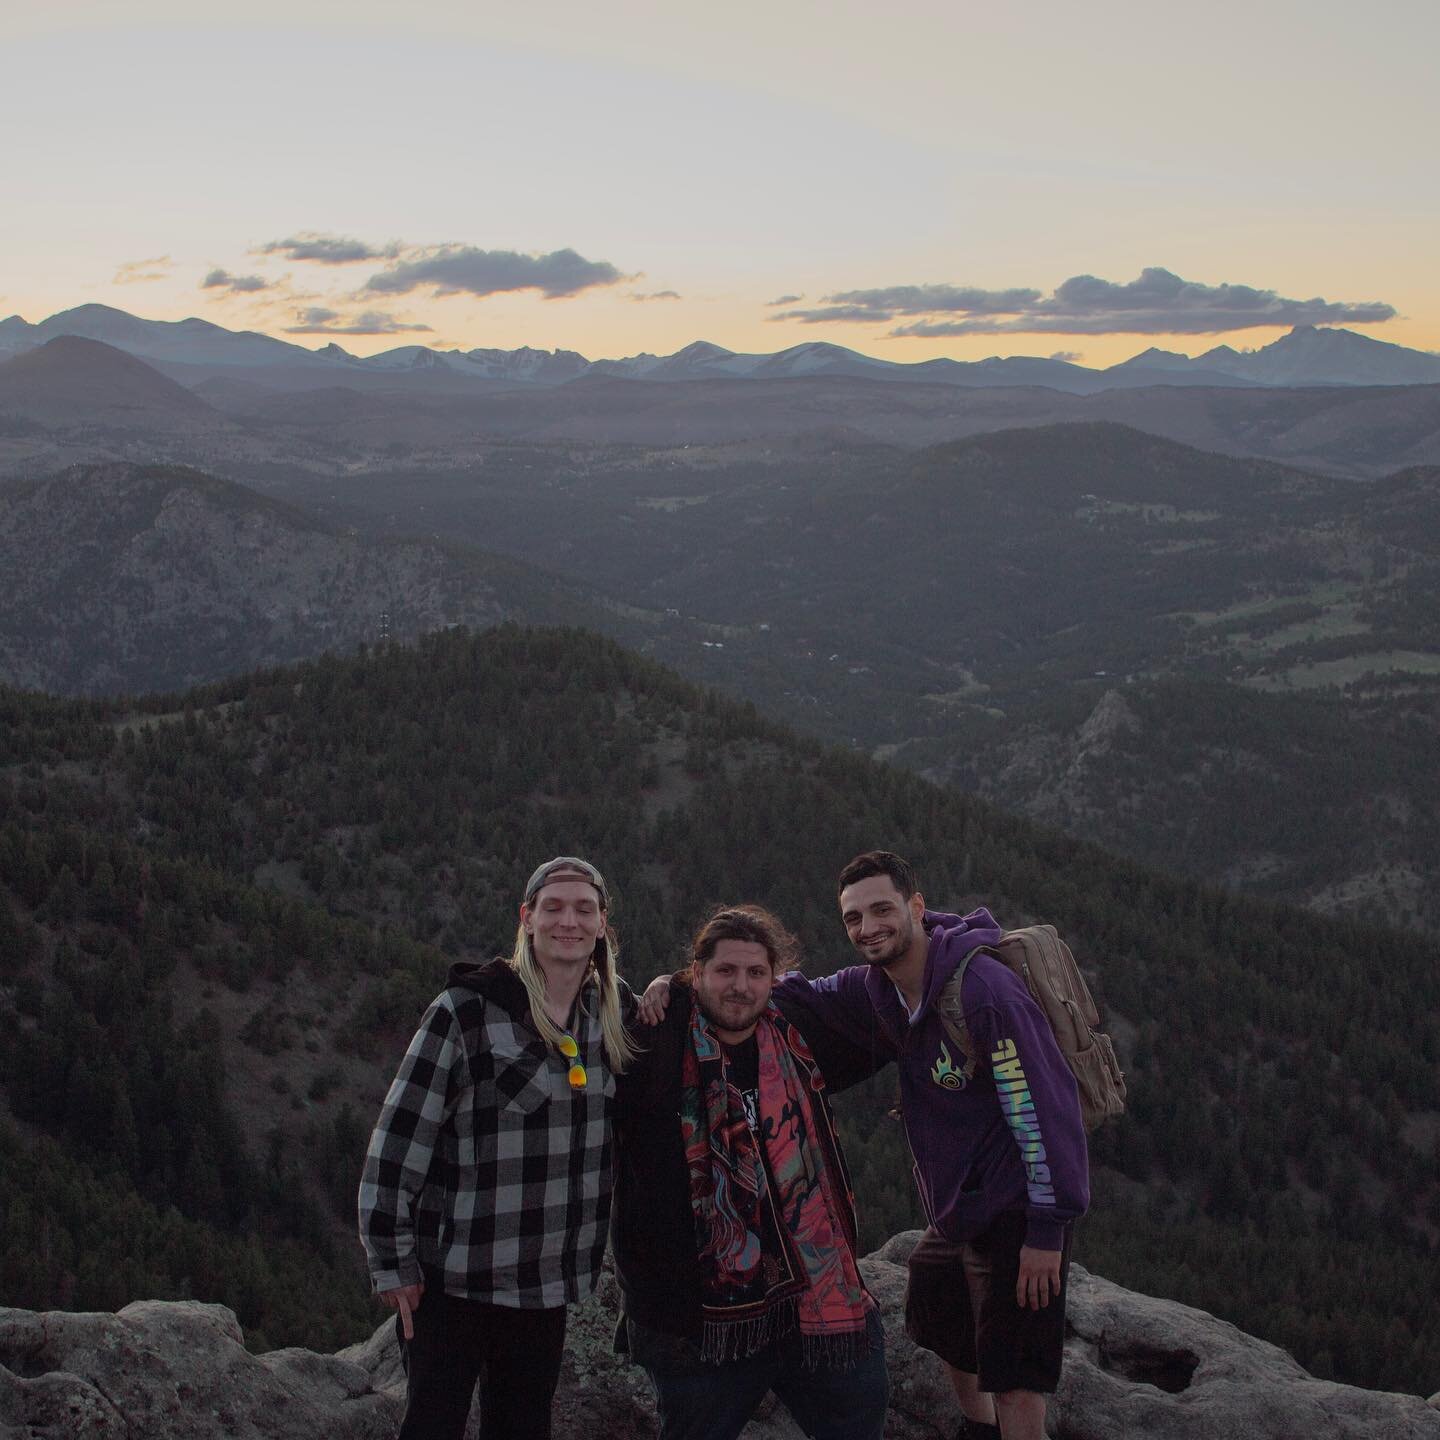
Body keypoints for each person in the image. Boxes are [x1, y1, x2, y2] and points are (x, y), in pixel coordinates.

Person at [776, 851, 1090, 1440]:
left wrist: (1048, 1231)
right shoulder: (878, 989)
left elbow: (1045, 1110)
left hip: (1019, 1206)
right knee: (939, 1309)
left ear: (916, 907)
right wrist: (686, 986)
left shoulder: (983, 991)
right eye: (853, 918)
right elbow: (801, 997)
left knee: (1016, 1376)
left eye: (881, 910)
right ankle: (980, 1430)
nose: (868, 928)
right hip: (960, 1208)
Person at [357, 855, 638, 1440]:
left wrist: (667, 989)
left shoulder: (609, 1013)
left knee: (523, 1425)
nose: (569, 921)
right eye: (554, 907)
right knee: (433, 1423)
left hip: (546, 1281)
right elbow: (399, 1139)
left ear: (603, 923)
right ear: (527, 917)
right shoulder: (466, 1012)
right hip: (456, 1277)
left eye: (584, 909)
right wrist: (392, 1261)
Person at [615, 904, 890, 1440]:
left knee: (860, 1418)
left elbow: (895, 986)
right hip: (696, 1324)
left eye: (756, 973)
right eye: (725, 971)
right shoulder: (652, 1040)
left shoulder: (798, 1037)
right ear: (697, 975)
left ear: (774, 978)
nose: (740, 987)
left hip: (814, 1305)